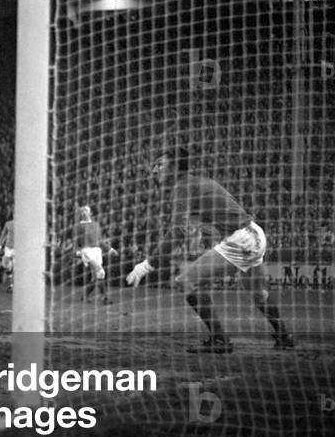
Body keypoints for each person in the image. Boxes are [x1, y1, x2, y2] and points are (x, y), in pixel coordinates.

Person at [125, 148, 293, 353]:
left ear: (175, 167)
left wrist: (147, 265)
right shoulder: (198, 184)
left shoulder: (183, 187)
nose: (154, 169)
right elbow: (203, 222)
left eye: (160, 164)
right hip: (255, 233)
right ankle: (284, 336)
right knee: (258, 294)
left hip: (241, 239)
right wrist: (206, 240)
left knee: (185, 282)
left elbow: (178, 232)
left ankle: (220, 339)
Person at [74, 205, 118, 304]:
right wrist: (77, 252)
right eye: (82, 211)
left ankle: (84, 297)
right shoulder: (78, 226)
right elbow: (75, 241)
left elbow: (100, 241)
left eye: (86, 210)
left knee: (96, 277)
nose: (84, 212)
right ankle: (104, 298)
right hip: (86, 251)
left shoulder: (96, 224)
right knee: (101, 271)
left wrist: (110, 249)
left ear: (90, 213)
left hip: (97, 251)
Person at [0, 218, 14, 291]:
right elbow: (4, 234)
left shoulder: (22, 224)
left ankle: (12, 285)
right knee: (7, 266)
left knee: (14, 267)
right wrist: (0, 245)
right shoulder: (8, 224)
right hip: (8, 248)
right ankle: (11, 285)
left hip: (18, 248)